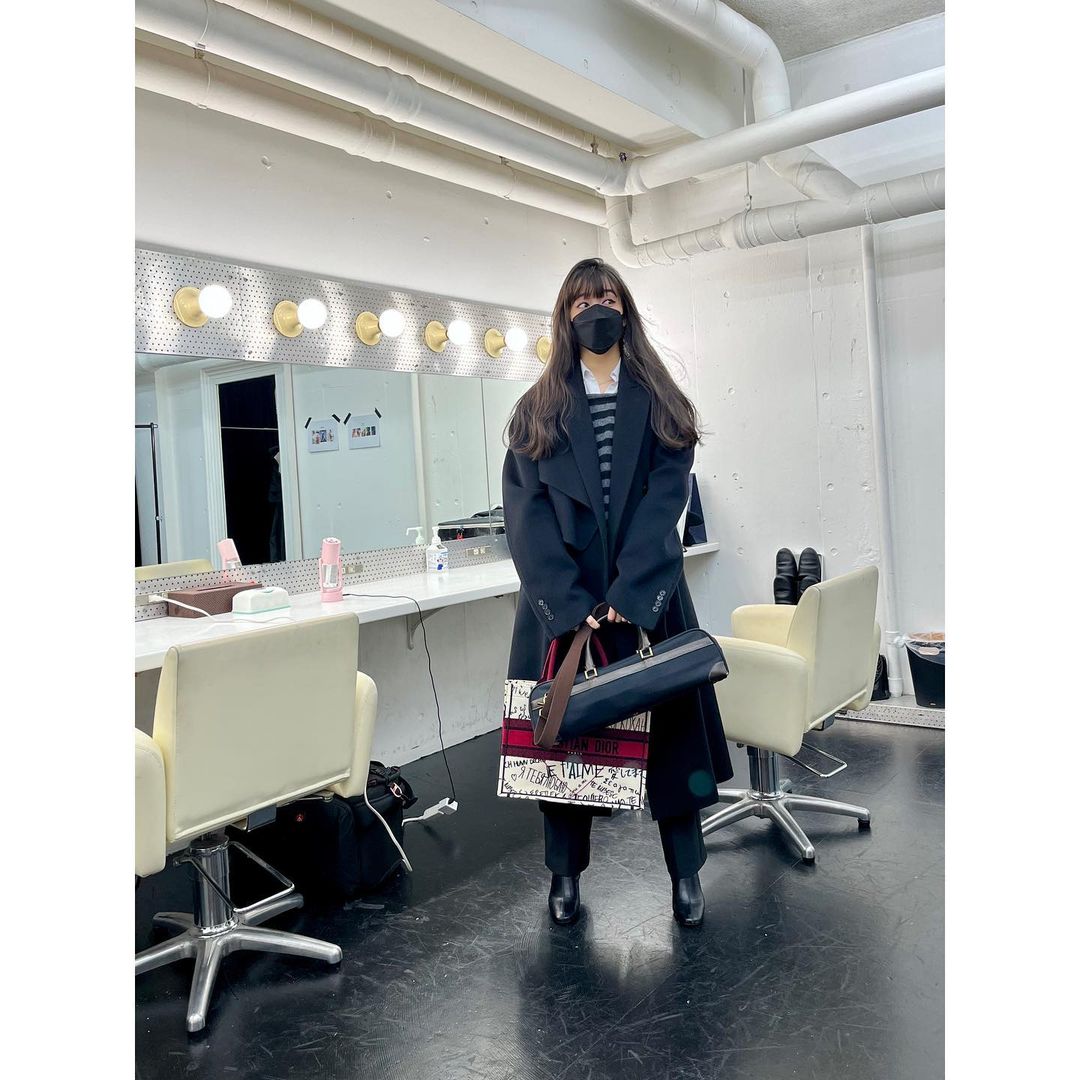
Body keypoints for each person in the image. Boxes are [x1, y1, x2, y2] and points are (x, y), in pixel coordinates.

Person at [502, 257, 733, 928]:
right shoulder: (536, 410)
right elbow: (526, 518)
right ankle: (564, 876)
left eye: (605, 298)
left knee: (674, 750)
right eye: (580, 303)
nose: (594, 311)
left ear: (624, 309)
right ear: (564, 317)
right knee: (564, 743)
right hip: (562, 605)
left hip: (648, 596)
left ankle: (686, 874)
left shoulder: (660, 399)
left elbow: (666, 503)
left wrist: (630, 594)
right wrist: (574, 605)